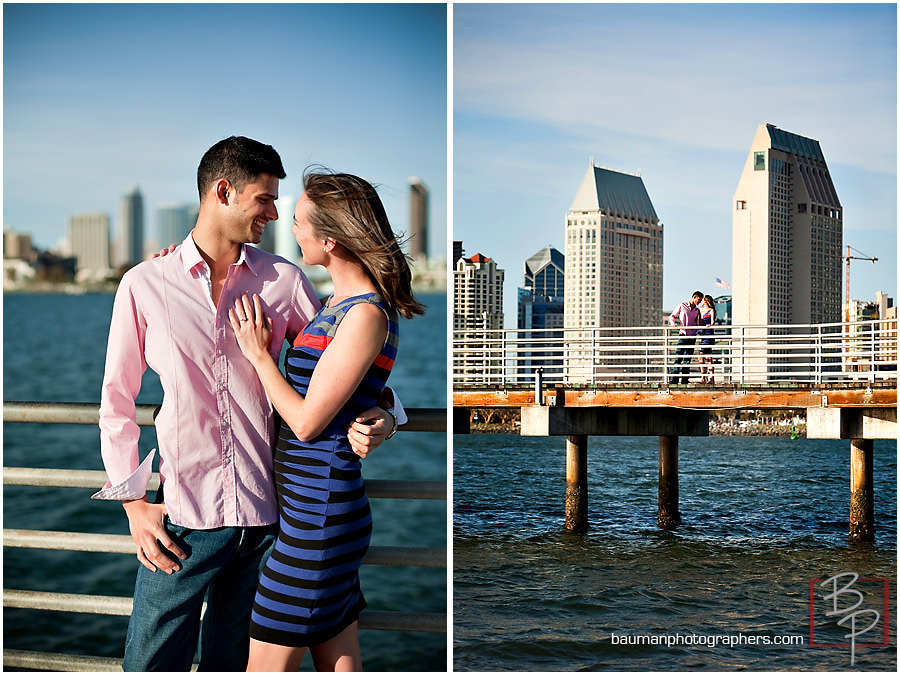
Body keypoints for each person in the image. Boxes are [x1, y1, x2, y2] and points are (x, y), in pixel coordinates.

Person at [93, 137, 402, 672]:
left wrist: (389, 417)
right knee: (149, 664)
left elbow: (345, 370)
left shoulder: (283, 280)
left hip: (269, 522)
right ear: (223, 191)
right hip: (185, 522)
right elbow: (117, 402)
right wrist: (134, 505)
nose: (274, 213)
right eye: (264, 199)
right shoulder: (145, 284)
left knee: (230, 663)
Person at [228, 170, 424, 672]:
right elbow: (354, 389)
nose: (291, 232)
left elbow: (308, 422)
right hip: (311, 515)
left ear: (329, 240)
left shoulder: (364, 314)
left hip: (318, 522)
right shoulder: (335, 306)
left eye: (297, 224)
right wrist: (386, 412)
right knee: (340, 661)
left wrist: (258, 355)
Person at [668, 290, 704, 385]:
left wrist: (699, 331)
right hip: (683, 335)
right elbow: (672, 316)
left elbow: (697, 324)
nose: (700, 302)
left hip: (692, 337)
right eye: (699, 300)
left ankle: (684, 380)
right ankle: (674, 379)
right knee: (678, 358)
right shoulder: (682, 305)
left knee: (687, 359)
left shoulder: (697, 310)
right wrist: (673, 323)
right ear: (694, 297)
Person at [698, 294, 718, 384]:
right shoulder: (701, 311)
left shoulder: (711, 310)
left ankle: (710, 378)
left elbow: (712, 322)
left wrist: (709, 325)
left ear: (706, 301)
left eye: (703, 300)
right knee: (701, 357)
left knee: (708, 357)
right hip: (702, 335)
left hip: (708, 334)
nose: (701, 302)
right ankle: (704, 377)